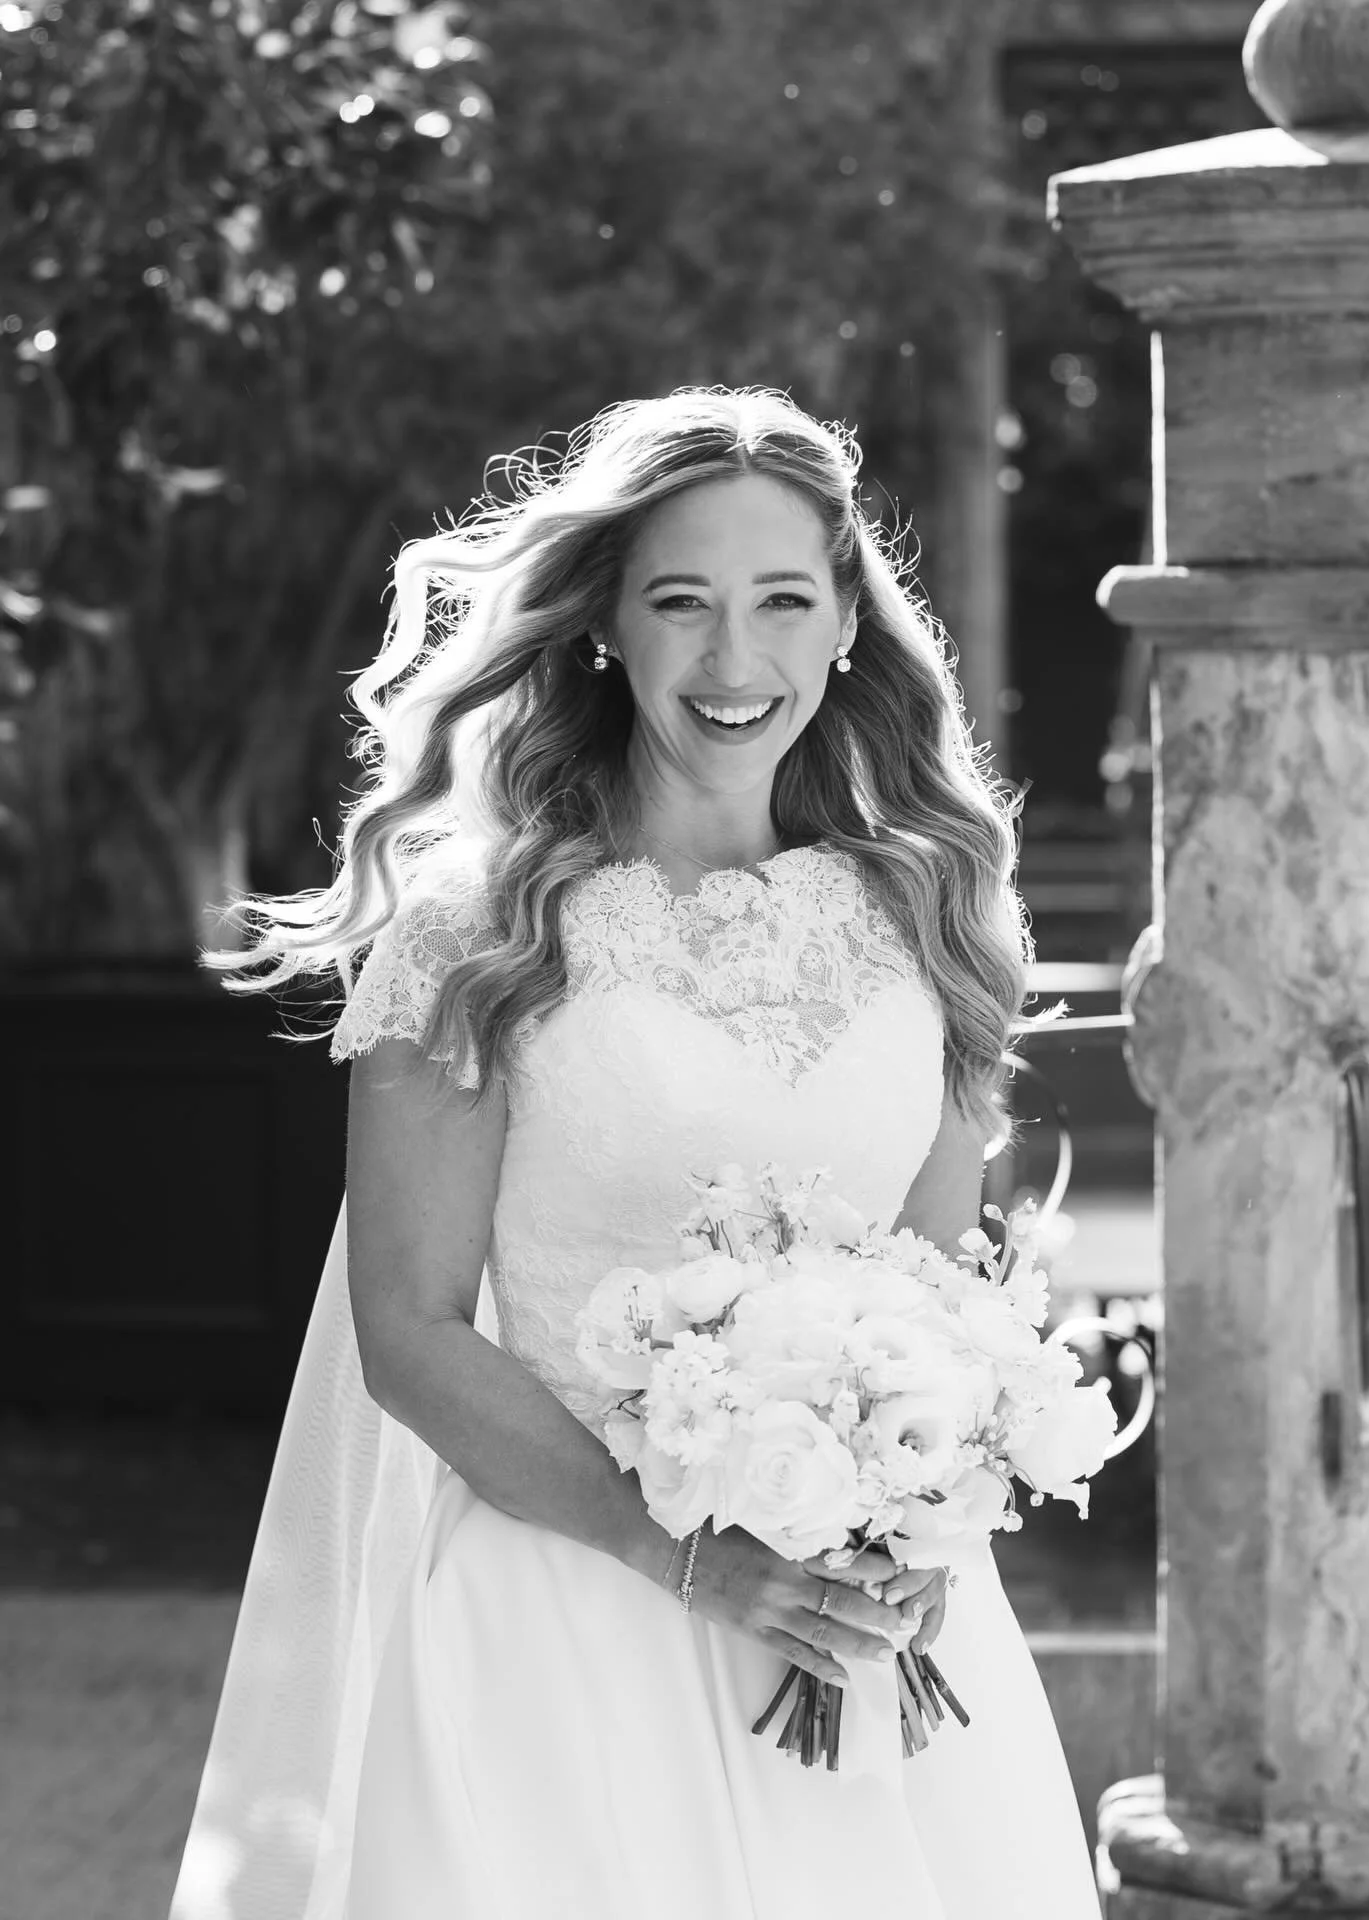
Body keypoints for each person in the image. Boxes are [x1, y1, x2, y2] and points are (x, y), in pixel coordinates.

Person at [169, 387, 1101, 1920]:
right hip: (562, 1625)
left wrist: (923, 1507)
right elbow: (404, 1331)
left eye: (783, 602)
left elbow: (942, 1298)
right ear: (605, 620)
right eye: (682, 604)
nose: (734, 664)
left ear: (848, 624)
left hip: (863, 1632)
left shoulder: (935, 925)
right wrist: (685, 1556)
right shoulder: (480, 936)